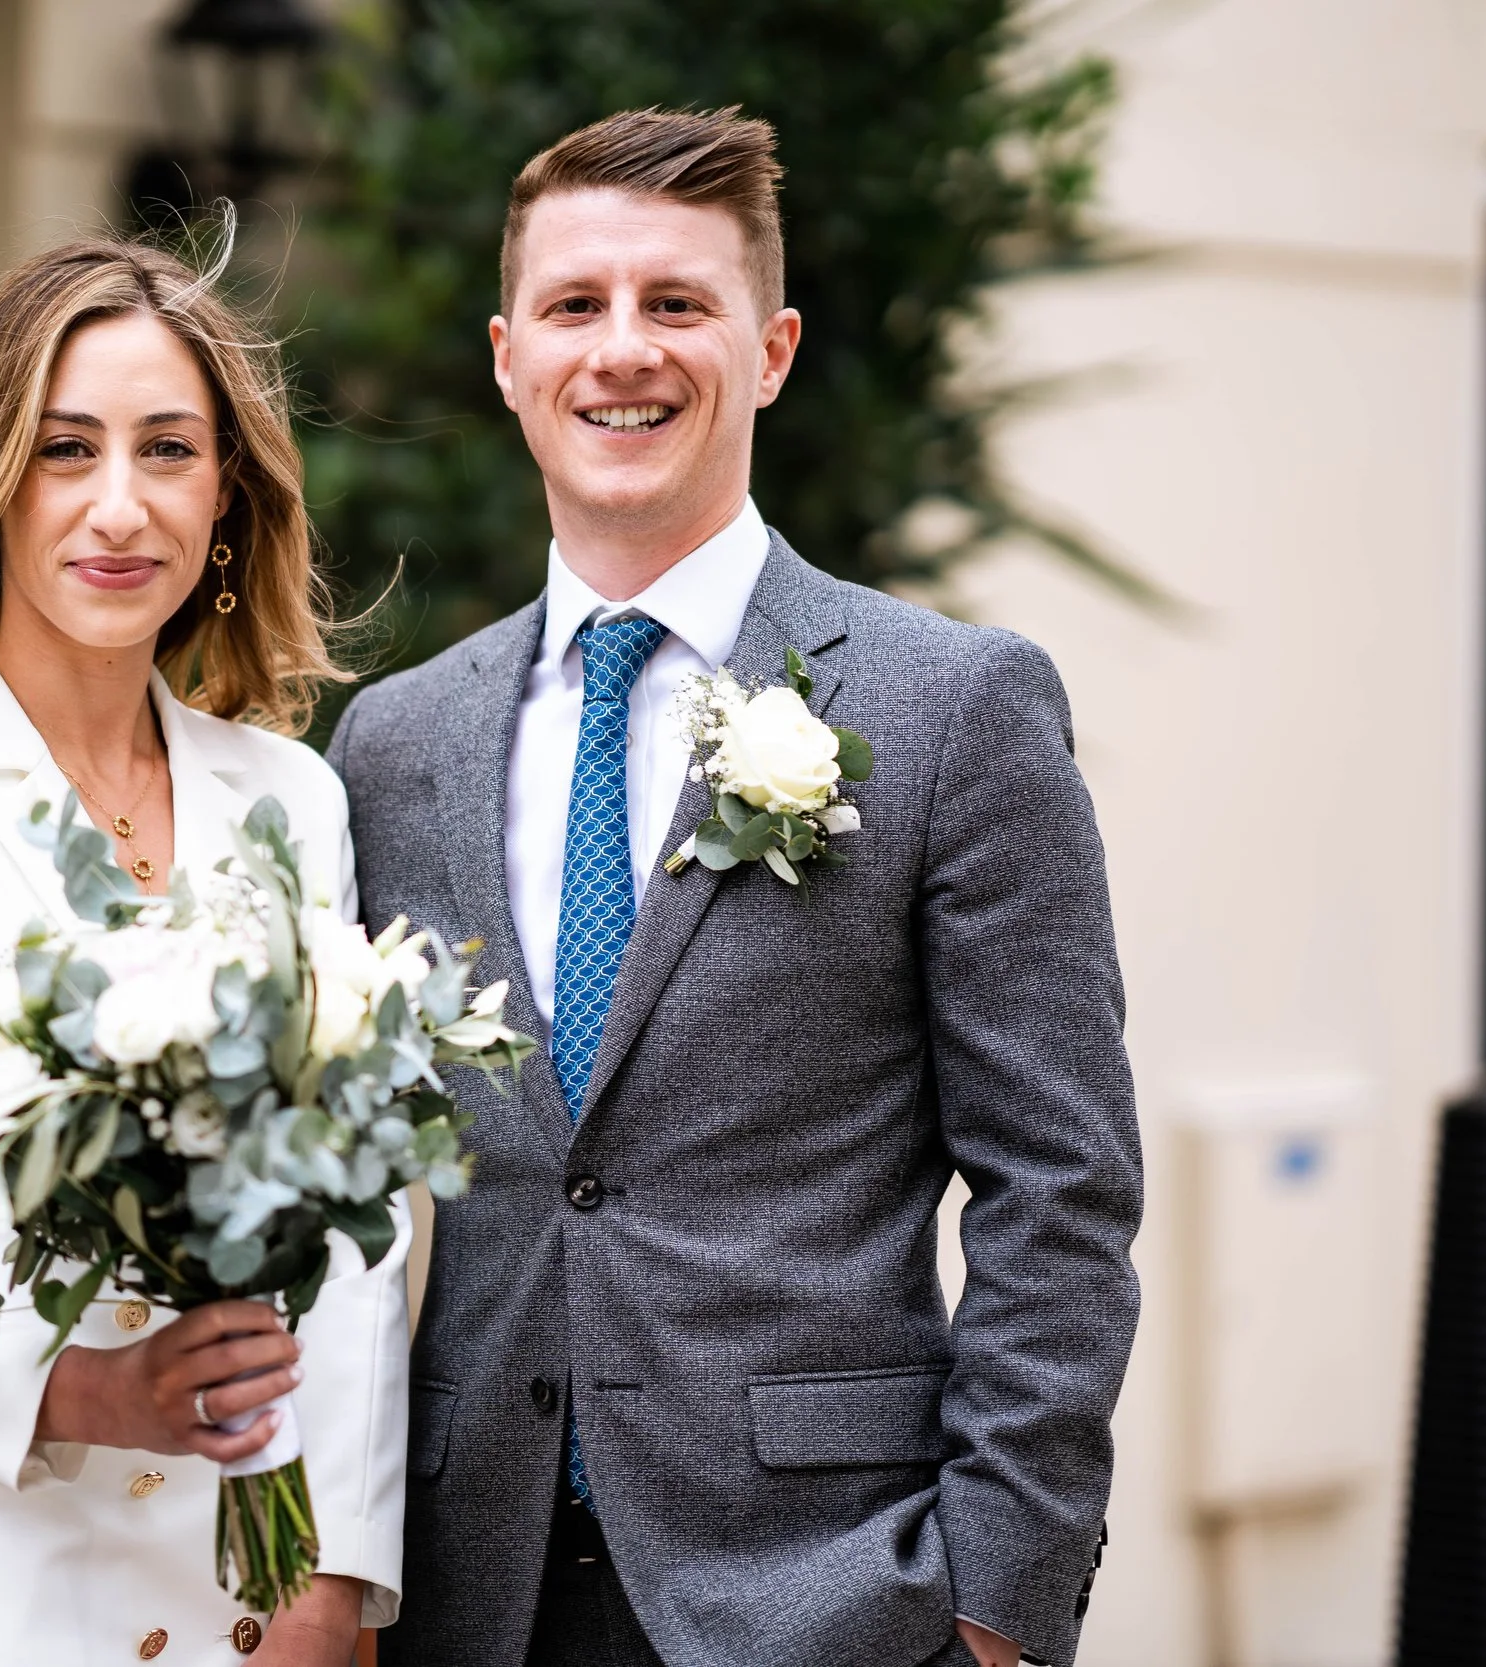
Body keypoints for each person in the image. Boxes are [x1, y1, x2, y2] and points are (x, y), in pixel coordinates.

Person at [329, 109, 1142, 1667]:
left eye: (677, 303)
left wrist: (997, 1603)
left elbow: (1063, 1187)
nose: (621, 349)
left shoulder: (952, 707)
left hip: (834, 1599)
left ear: (771, 351)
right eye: (576, 304)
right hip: (468, 1598)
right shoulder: (395, 742)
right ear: (508, 357)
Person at [0, 236, 405, 1667]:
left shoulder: (293, 800)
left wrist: (331, 1582)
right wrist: (96, 1391)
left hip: (261, 1614)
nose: (119, 505)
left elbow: (355, 1235)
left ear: (226, 495)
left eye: (169, 449)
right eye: (64, 448)